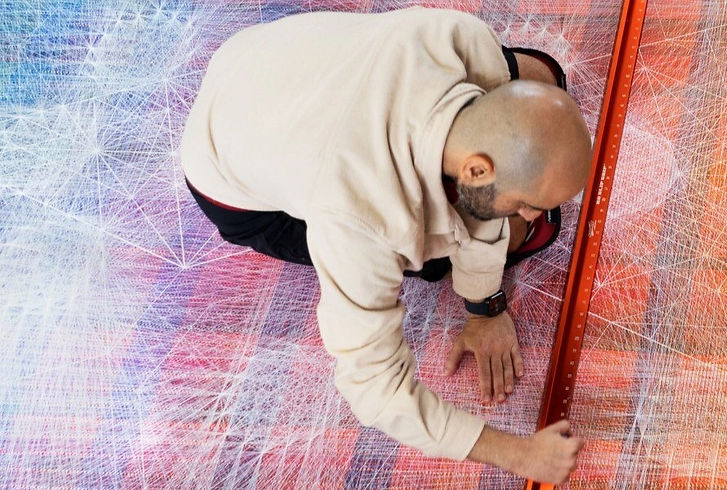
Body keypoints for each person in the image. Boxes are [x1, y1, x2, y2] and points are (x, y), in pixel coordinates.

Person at [179, 7, 592, 485]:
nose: (531, 213)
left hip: (258, 59)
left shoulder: (458, 37)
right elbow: (374, 389)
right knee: (502, 238)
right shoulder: (360, 217)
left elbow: (495, 164)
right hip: (225, 175)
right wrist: (520, 454)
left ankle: (522, 150)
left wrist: (485, 308)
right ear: (476, 170)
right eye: (525, 202)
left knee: (543, 79)